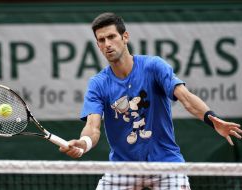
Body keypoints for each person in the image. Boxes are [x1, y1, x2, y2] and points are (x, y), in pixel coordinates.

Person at [60, 12, 242, 189]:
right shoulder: (98, 84)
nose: (107, 44)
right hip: (124, 167)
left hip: (165, 163)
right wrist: (84, 143)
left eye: (111, 37)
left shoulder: (153, 66)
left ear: (125, 37)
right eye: (101, 40)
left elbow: (186, 98)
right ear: (98, 45)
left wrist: (211, 118)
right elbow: (93, 127)